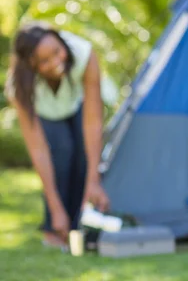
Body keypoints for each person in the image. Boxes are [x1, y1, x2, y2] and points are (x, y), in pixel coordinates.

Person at [4, 22, 111, 248]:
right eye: (44, 61)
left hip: (76, 105)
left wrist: (94, 181)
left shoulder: (83, 53)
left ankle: (79, 226)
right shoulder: (18, 86)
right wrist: (55, 207)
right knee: (61, 152)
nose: (56, 62)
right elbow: (38, 149)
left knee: (83, 156)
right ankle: (54, 226)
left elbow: (93, 123)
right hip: (46, 113)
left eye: (57, 51)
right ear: (30, 65)